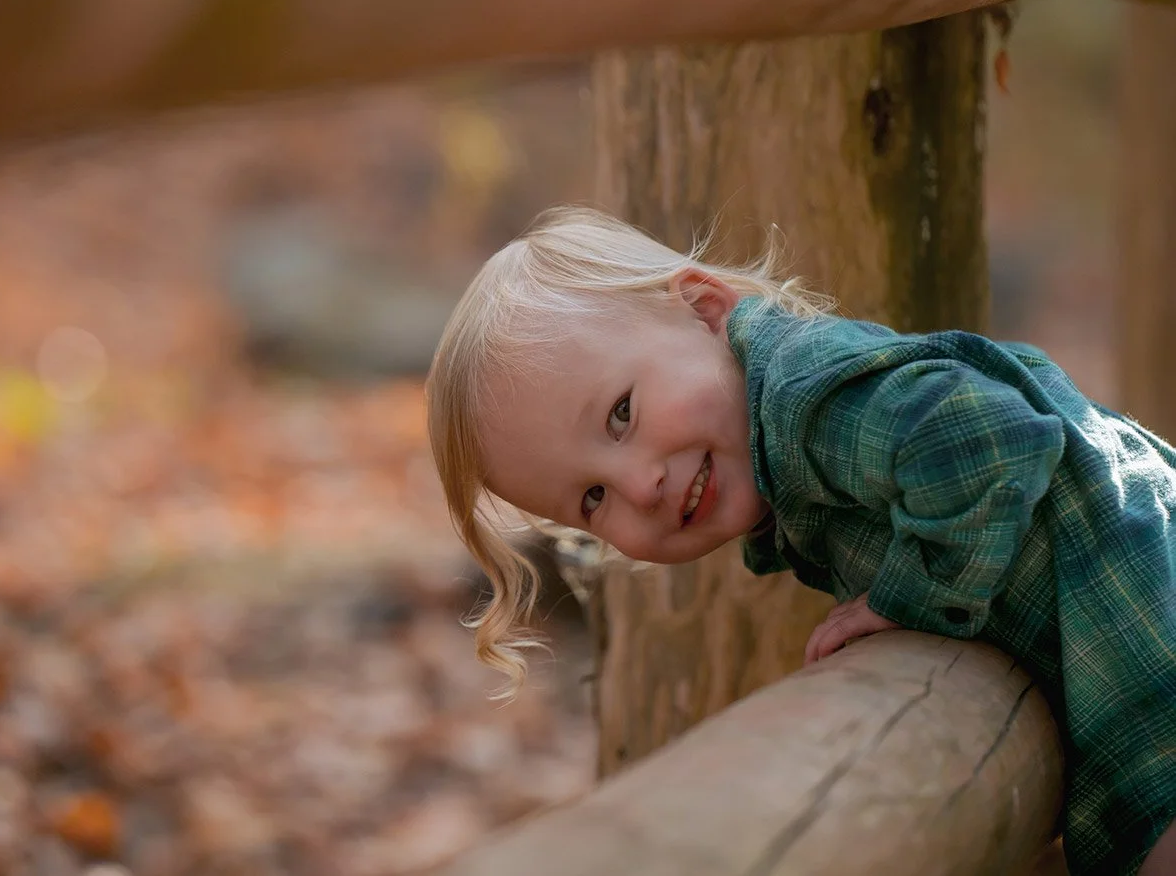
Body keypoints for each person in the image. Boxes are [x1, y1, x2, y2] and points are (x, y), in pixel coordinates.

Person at [424, 205, 1176, 876]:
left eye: (622, 414)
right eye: (591, 498)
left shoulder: (805, 400)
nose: (638, 486)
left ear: (705, 308)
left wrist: (909, 595)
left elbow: (997, 442)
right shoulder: (781, 448)